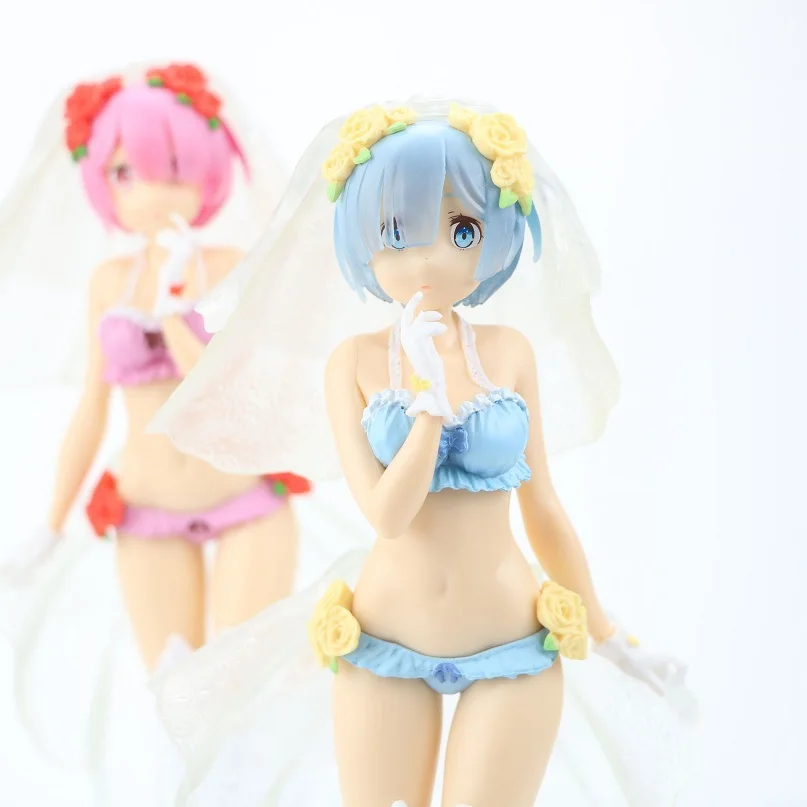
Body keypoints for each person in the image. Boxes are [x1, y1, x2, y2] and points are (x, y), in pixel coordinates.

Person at [150, 97, 697, 807]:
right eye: (397, 231)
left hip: (512, 642)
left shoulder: (509, 352)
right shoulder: (353, 363)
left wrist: (608, 632)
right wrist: (428, 405)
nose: (430, 256)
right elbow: (387, 514)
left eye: (462, 229)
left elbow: (544, 508)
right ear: (363, 238)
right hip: (386, 639)